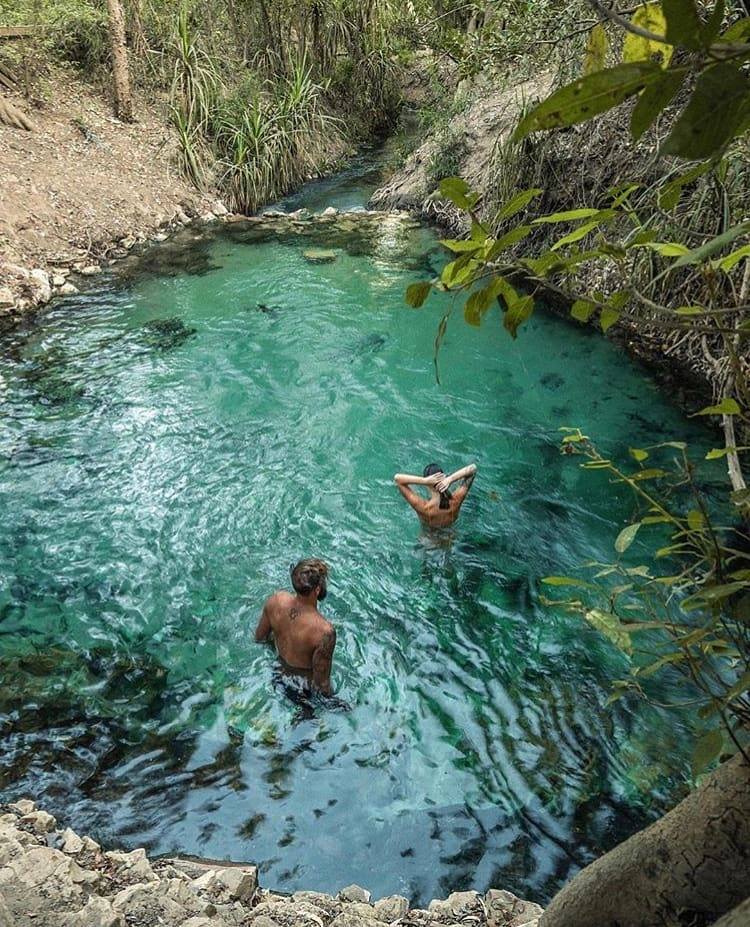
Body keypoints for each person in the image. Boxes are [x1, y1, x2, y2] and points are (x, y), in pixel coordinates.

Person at [255, 558, 336, 696]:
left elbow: (259, 638)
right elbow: (321, 684)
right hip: (301, 689)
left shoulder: (276, 600)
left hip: (275, 673)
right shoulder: (324, 631)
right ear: (317, 589)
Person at [393, 462, 477, 528]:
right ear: (444, 479)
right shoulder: (456, 501)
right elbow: (473, 468)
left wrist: (424, 481)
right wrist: (450, 479)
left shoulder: (423, 508)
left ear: (428, 485)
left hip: (428, 545)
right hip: (450, 544)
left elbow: (397, 479)